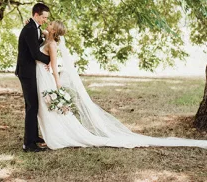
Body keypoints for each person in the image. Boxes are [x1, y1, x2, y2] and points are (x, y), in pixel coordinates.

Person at [36, 20, 207, 150]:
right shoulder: (47, 37)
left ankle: (58, 135)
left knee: (49, 107)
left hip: (48, 78)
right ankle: (52, 133)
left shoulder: (52, 44)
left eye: (51, 24)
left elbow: (54, 66)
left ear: (54, 31)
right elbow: (40, 32)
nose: (48, 24)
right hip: (42, 76)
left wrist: (59, 89)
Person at [16, 2, 51, 152]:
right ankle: (28, 144)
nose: (45, 20)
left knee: (33, 106)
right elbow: (35, 54)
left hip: (30, 71)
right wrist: (51, 61)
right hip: (26, 72)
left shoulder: (34, 27)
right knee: (32, 107)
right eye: (43, 17)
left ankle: (33, 136)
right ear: (36, 15)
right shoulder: (30, 29)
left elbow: (36, 45)